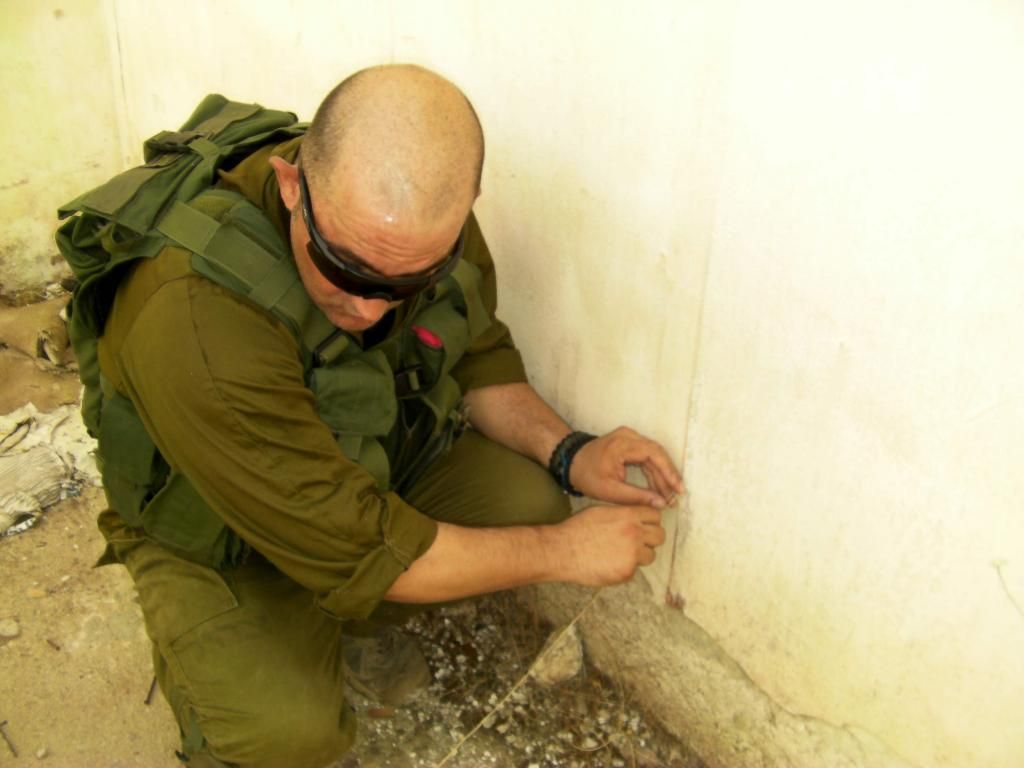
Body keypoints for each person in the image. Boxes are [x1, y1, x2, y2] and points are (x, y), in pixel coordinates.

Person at [90, 64, 682, 768]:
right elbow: (360, 546)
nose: (370, 307)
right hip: (218, 530)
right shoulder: (195, 317)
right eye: (346, 268)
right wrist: (568, 554)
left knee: (527, 498)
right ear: (292, 187)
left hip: (343, 471)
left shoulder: (422, 226)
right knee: (290, 736)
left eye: (407, 282)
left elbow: (476, 353)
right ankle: (218, 672)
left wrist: (571, 452)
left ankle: (340, 623)